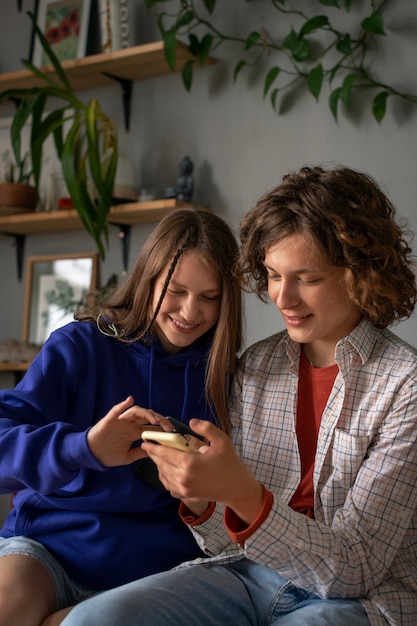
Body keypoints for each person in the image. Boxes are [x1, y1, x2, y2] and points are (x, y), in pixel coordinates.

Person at [61, 165, 417, 626]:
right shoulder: (257, 367)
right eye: (272, 275)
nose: (282, 298)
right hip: (248, 575)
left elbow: (356, 568)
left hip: (358, 599)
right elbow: (228, 540)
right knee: (93, 621)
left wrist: (243, 494)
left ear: (360, 274)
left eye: (306, 278)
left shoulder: (406, 386)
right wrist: (201, 497)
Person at [0, 207, 242, 626]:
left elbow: (234, 514)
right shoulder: (80, 345)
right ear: (147, 279)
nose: (189, 312)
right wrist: (84, 447)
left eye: (209, 297)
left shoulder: (231, 379)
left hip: (156, 574)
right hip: (47, 550)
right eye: (175, 290)